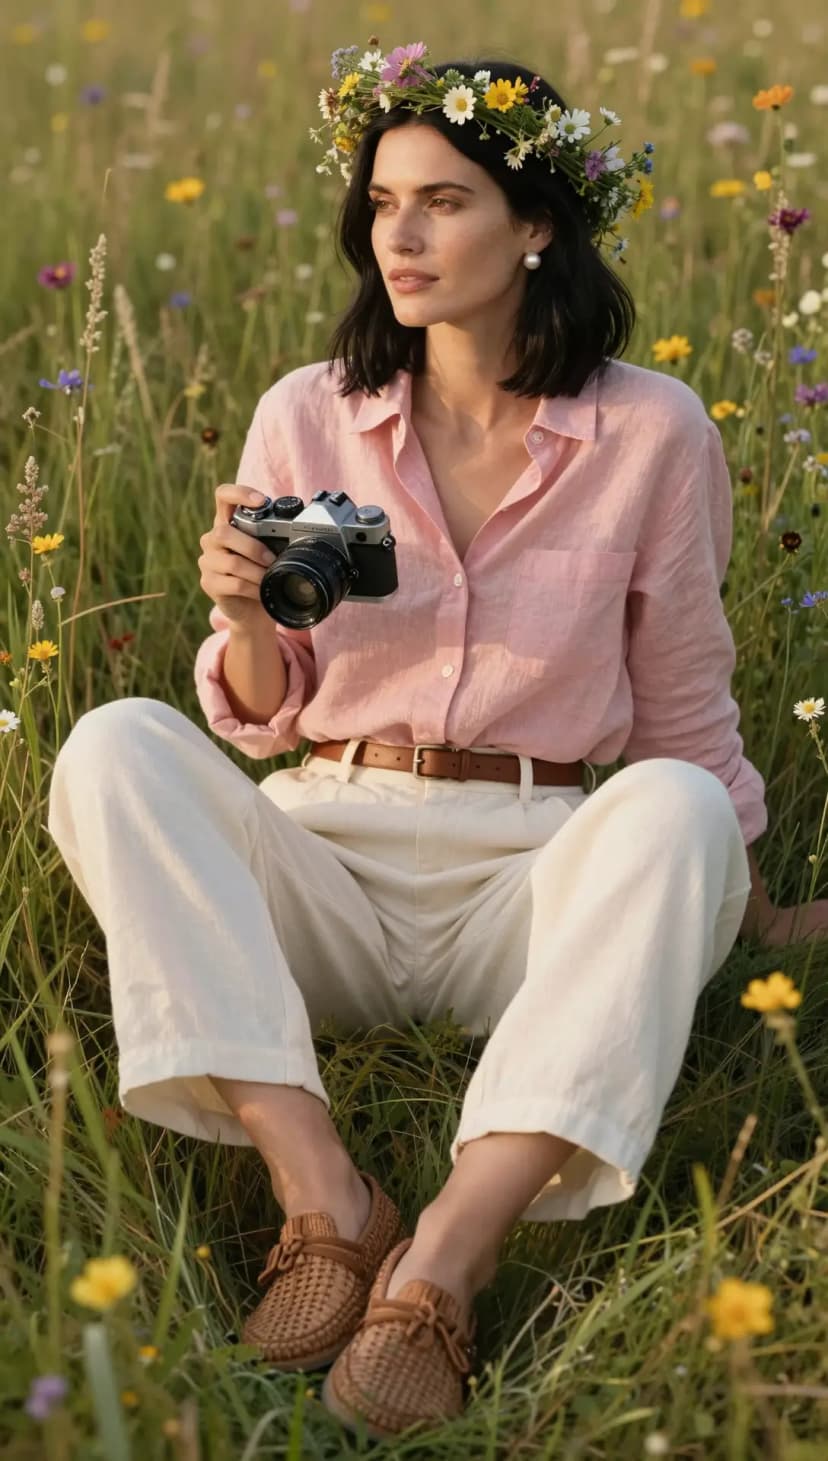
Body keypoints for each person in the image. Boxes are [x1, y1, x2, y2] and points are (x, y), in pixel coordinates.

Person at [48, 44, 813, 1443]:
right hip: (327, 850)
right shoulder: (311, 412)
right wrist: (241, 616)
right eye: (384, 202)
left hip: (534, 874)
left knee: (677, 807)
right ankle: (323, 1192)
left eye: (445, 201)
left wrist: (739, 897)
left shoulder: (653, 428)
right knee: (114, 742)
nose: (399, 233)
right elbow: (263, 704)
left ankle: (445, 1259)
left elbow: (687, 697)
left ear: (535, 226)